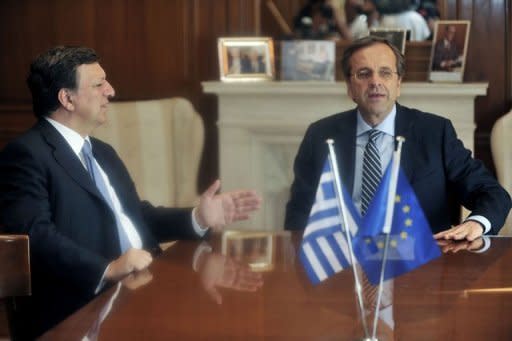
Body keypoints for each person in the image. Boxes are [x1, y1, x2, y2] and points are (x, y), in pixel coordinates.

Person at [0, 46, 262, 339]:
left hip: (147, 284)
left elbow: (135, 216)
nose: (111, 91)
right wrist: (107, 269)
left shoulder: (102, 152)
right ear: (67, 98)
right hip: (83, 307)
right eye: (99, 84)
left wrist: (197, 217)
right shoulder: (26, 154)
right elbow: (35, 235)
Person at [284, 36, 511, 242]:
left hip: (419, 267)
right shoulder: (321, 135)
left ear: (399, 83)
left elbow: (492, 193)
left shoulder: (435, 132)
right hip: (343, 265)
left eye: (385, 72)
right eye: (364, 73)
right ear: (350, 87)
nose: (375, 82)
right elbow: (299, 214)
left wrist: (476, 223)